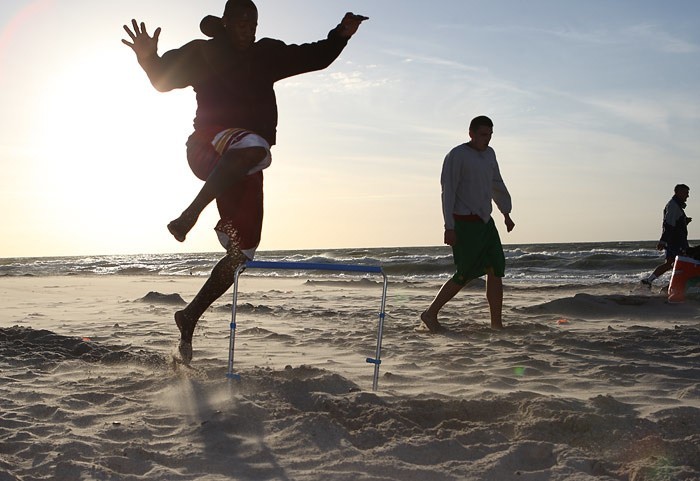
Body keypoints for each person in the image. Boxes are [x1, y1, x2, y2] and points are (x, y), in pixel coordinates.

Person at [122, 0, 367, 362]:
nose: (248, 28)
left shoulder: (265, 53)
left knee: (243, 254)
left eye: (253, 22)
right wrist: (147, 58)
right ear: (226, 23)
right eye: (240, 22)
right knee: (255, 145)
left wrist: (341, 35)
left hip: (243, 165)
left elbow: (313, 56)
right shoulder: (202, 52)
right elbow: (162, 80)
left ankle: (189, 316)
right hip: (207, 146)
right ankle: (190, 214)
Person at [420, 116, 515, 333]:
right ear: (471, 133)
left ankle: (496, 324)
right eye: (483, 135)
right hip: (464, 223)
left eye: (490, 135)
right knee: (464, 273)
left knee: (496, 268)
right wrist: (449, 226)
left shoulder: (490, 154)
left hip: (485, 222)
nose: (487, 139)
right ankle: (430, 313)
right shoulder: (457, 155)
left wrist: (506, 212)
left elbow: (496, 183)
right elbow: (448, 191)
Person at [641, 184, 692, 288]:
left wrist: (684, 222)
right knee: (684, 263)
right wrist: (663, 241)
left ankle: (649, 281)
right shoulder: (673, 206)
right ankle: (671, 287)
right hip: (676, 241)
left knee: (669, 263)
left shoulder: (676, 206)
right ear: (678, 192)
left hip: (672, 241)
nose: (687, 196)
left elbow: (673, 223)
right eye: (685, 193)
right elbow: (669, 224)